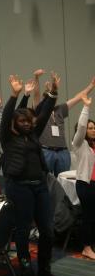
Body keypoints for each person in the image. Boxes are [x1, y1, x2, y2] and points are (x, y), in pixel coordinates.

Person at [0, 73, 63, 276]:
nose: (28, 124)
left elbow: (44, 113)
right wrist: (14, 95)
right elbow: (8, 115)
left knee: (47, 229)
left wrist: (53, 93)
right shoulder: (7, 138)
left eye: (29, 121)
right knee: (23, 229)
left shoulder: (34, 135)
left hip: (40, 187)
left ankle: (45, 270)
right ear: (14, 124)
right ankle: (26, 269)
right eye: (22, 121)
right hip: (19, 188)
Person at [37, 75, 95, 176]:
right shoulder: (39, 112)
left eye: (52, 96)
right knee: (45, 179)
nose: (51, 99)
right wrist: (36, 78)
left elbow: (78, 97)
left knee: (63, 179)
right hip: (46, 150)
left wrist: (91, 85)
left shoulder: (60, 109)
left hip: (62, 151)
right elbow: (36, 96)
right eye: (48, 96)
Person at [71, 94, 95, 260]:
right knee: (88, 216)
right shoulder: (79, 144)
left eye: (94, 127)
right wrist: (86, 107)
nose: (93, 130)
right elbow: (80, 127)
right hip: (85, 184)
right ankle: (86, 247)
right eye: (90, 128)